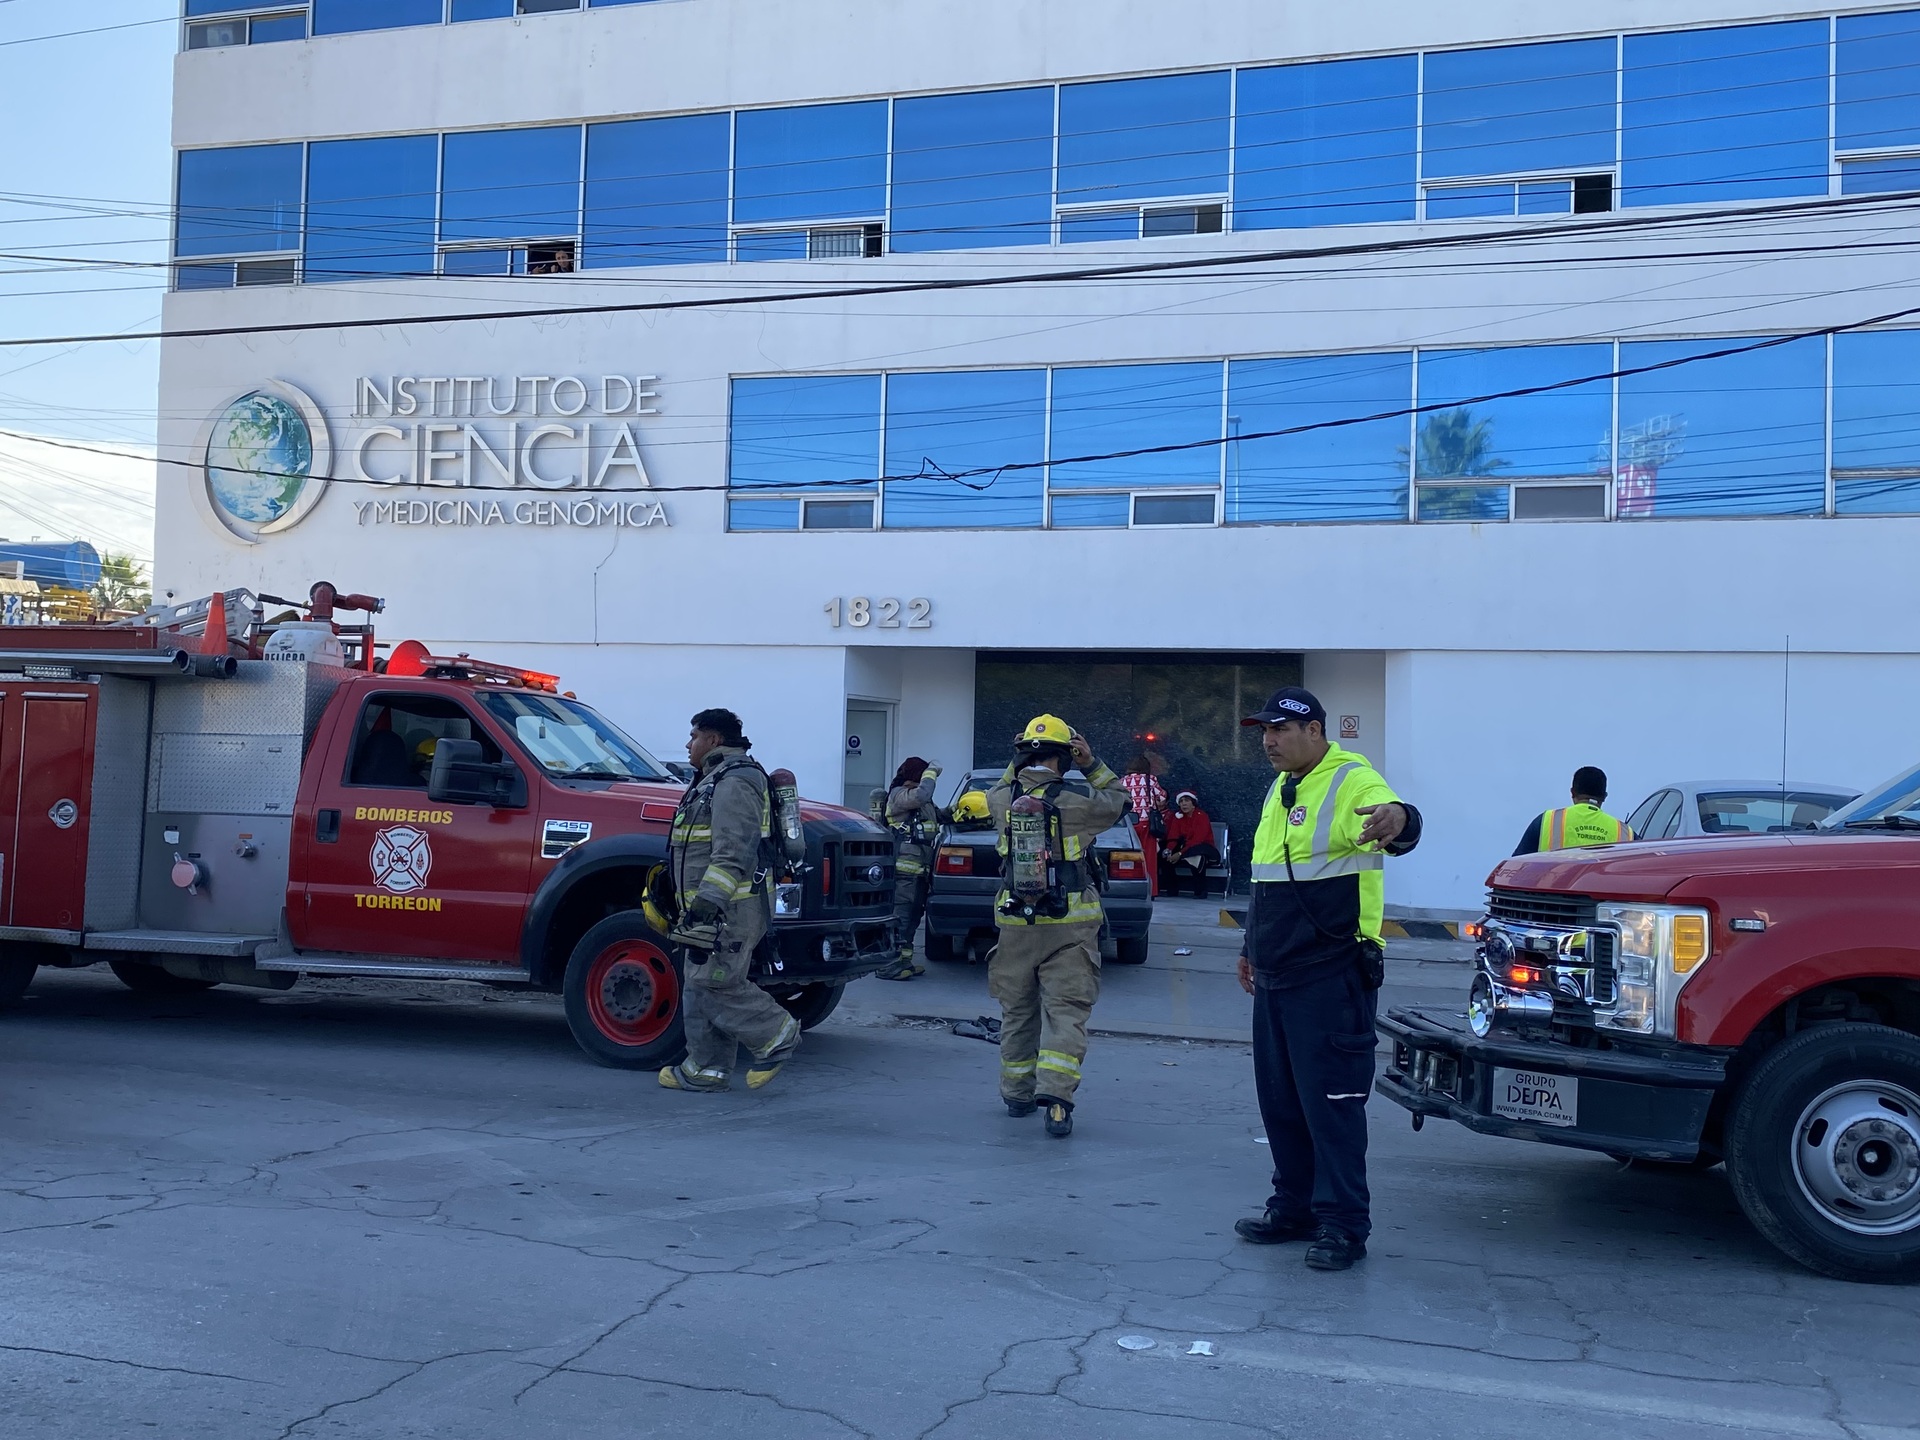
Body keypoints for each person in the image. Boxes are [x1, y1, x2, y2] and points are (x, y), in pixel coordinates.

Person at [1232, 686, 1422, 1272]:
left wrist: (1401, 819)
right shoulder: (1281, 787)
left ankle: (1343, 1223)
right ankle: (1294, 1207)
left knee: (1331, 1104)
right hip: (1277, 972)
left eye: (1280, 730)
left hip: (1332, 972)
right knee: (1282, 1102)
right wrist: (1251, 946)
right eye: (1264, 731)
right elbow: (1269, 877)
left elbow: (1396, 817)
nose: (1268, 740)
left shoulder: (1349, 779)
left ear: (1315, 730)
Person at [985, 715, 1127, 1138]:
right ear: (1066, 757)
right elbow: (1121, 798)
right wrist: (1091, 762)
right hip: (1070, 927)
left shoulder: (999, 800)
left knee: (1017, 1011)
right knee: (1065, 1013)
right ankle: (1059, 1103)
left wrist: (1018, 758)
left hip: (1014, 924)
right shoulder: (1079, 801)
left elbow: (1000, 783)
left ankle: (1016, 1094)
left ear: (1023, 753)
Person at [658, 708, 801, 1094]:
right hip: (708, 908)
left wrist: (709, 901)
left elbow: (733, 851)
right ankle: (707, 1069)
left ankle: (776, 1032)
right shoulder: (712, 779)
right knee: (698, 982)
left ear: (714, 740)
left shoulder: (736, 781)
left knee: (716, 981)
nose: (688, 744)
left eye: (694, 736)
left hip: (731, 907)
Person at [881, 756, 943, 980]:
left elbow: (940, 816)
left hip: (920, 870)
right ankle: (888, 965)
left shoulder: (922, 802)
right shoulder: (900, 795)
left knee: (914, 917)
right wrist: (931, 773)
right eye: (923, 774)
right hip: (903, 870)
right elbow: (922, 794)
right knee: (901, 916)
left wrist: (966, 811)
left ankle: (904, 961)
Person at [1513, 767, 1632, 854]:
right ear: (1604, 797)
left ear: (1572, 792)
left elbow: (1517, 866)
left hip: (1552, 887)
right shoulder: (1626, 833)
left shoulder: (1547, 821)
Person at [1121, 755, 1168, 897]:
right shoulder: (1150, 780)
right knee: (1149, 858)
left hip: (1129, 824)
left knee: (1129, 858)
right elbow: (1162, 798)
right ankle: (1150, 891)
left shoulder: (1122, 781)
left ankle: (1129, 889)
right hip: (1147, 823)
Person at [1159, 791, 1220, 898]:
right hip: (1184, 847)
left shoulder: (1201, 816)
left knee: (1196, 855)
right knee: (1164, 857)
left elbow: (1197, 840)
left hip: (1203, 847)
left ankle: (1201, 890)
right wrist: (1169, 850)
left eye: (1187, 801)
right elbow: (1173, 837)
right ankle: (1171, 890)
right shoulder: (1177, 817)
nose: (1184, 804)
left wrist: (1180, 854)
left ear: (1193, 803)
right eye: (1181, 801)